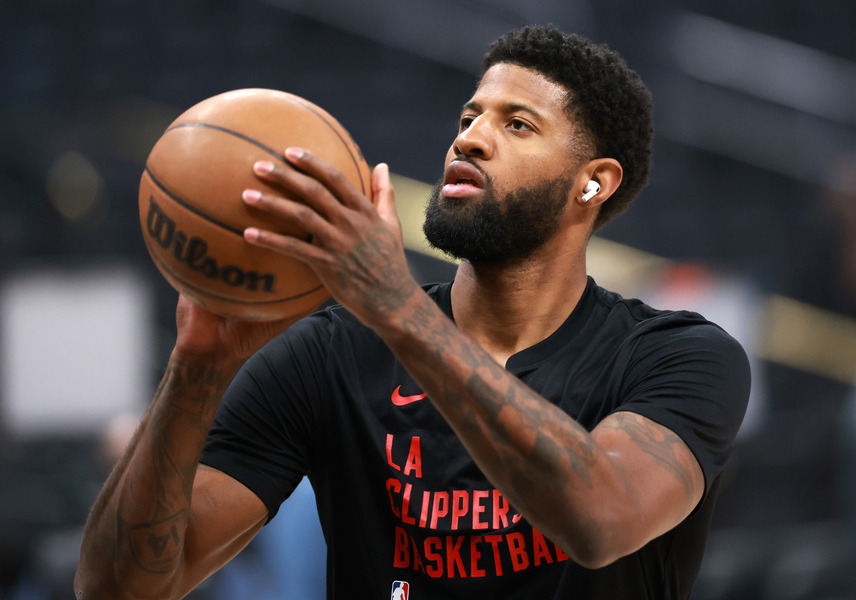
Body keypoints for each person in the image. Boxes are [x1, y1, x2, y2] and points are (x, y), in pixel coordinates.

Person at [75, 25, 750, 600]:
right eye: (469, 117)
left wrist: (395, 306)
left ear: (593, 182)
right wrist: (198, 364)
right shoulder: (329, 354)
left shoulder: (678, 356)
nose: (472, 140)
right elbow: (117, 589)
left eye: (517, 124)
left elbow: (602, 518)